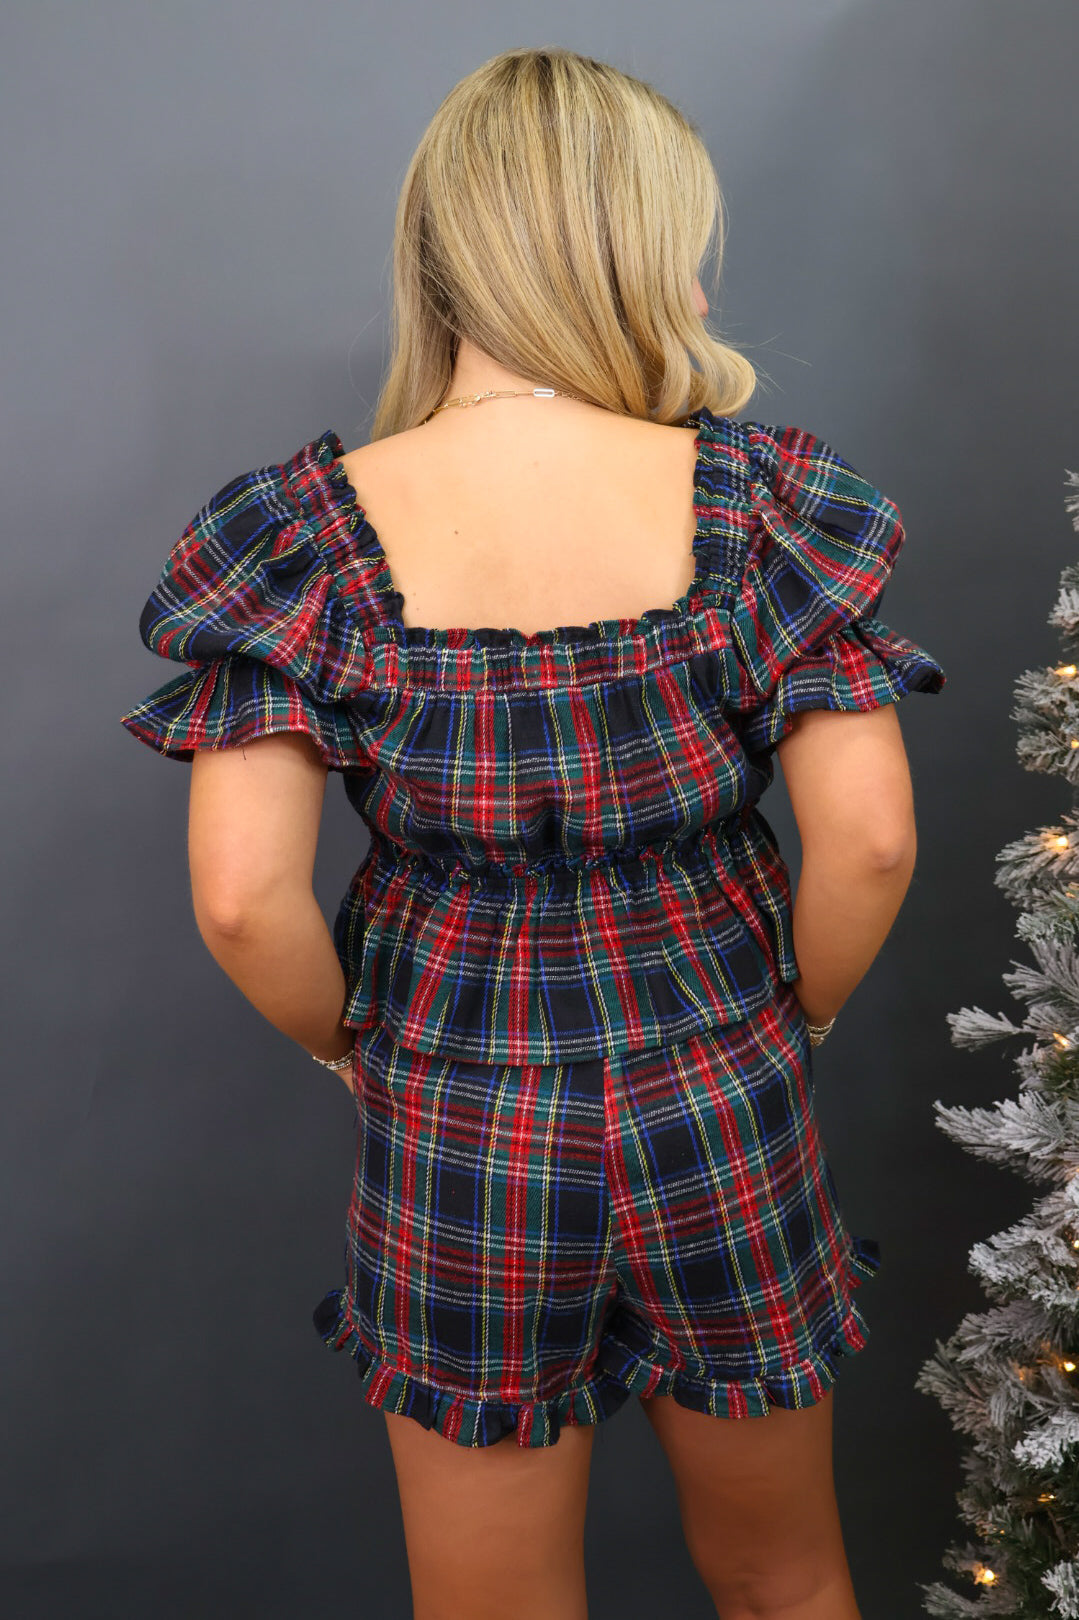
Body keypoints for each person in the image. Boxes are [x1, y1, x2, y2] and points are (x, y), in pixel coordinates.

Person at [119, 44, 946, 1620]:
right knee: (784, 1578)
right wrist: (803, 1017)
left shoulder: (306, 538)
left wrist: (346, 1051)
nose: (699, 288)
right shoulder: (760, 503)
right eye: (686, 248)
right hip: (720, 1082)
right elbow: (872, 843)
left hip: (461, 1110)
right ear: (628, 252)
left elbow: (241, 897)